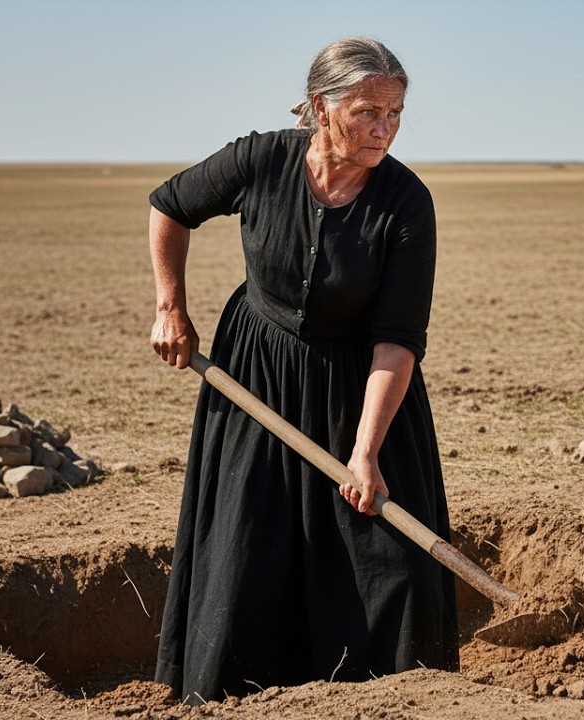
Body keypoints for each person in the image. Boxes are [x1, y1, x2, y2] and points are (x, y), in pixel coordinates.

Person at [147, 37, 458, 704]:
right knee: (246, 546)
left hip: (361, 388)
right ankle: (231, 695)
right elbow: (170, 206)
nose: (385, 129)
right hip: (255, 378)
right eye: (369, 111)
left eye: (396, 113)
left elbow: (397, 342)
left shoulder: (406, 204)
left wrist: (367, 451)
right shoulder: (260, 160)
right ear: (322, 106)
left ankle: (397, 702)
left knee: (392, 564)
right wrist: (171, 307)